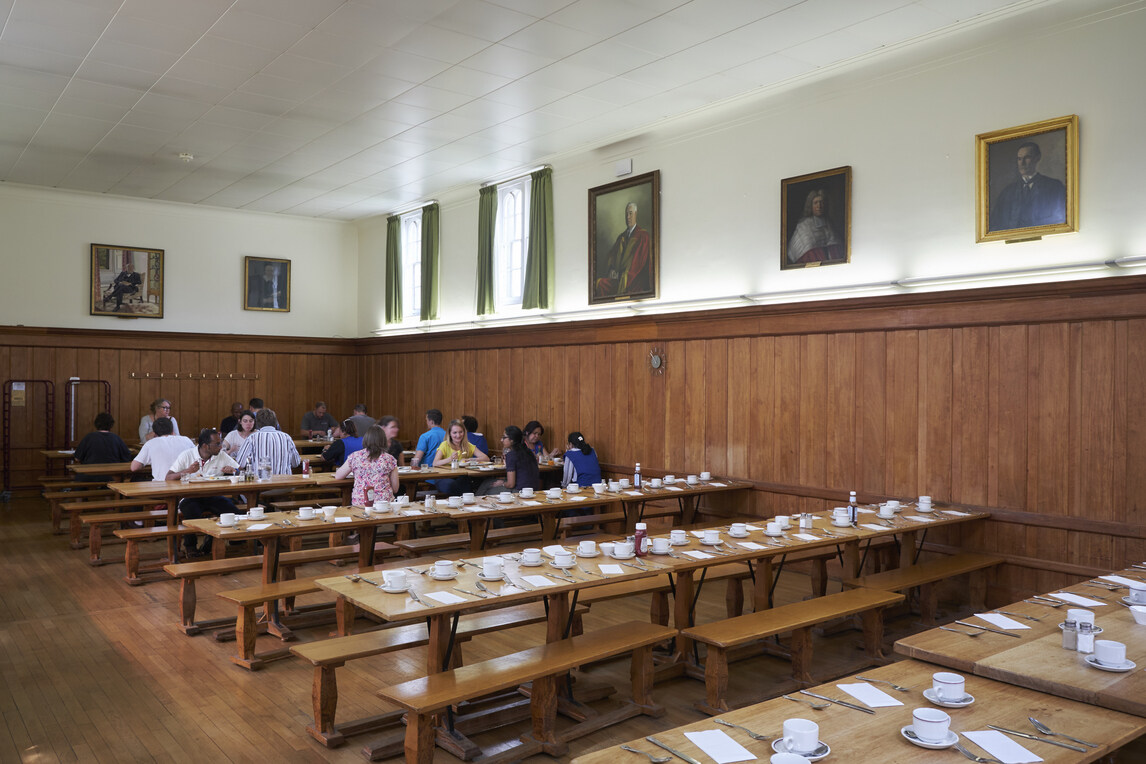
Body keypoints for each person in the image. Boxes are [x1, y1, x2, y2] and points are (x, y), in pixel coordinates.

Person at [167, 429, 238, 557]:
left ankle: (212, 540)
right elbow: (169, 477)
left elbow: (239, 470)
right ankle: (190, 547)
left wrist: (233, 471)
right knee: (192, 515)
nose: (220, 446)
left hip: (213, 495)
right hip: (190, 497)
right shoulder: (187, 455)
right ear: (205, 445)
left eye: (220, 442)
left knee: (233, 512)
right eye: (217, 444)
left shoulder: (221, 455)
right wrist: (187, 471)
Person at [990, 140, 1067, 231]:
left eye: (1027, 158)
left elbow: (1061, 221)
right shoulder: (1007, 192)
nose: (1022, 163)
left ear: (1037, 158)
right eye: (1019, 159)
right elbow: (995, 224)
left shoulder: (1054, 187)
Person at [595, 201, 652, 299]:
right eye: (626, 214)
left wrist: (621, 275)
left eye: (630, 213)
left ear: (635, 214)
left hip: (634, 281)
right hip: (620, 279)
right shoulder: (621, 237)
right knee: (599, 283)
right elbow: (611, 256)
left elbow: (637, 264)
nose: (628, 217)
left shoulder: (643, 236)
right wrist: (612, 269)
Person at [335, 425, 398, 507]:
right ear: (383, 441)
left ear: (366, 439)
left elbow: (338, 476)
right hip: (384, 503)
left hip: (360, 503)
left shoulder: (355, 456)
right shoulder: (390, 459)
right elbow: (396, 488)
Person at [233, 409, 300, 476]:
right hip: (285, 483)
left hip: (261, 483)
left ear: (258, 423)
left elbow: (240, 463)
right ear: (275, 422)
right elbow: (296, 463)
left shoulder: (252, 438)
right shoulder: (286, 437)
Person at [786, 188, 844, 264]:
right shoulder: (803, 226)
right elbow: (802, 250)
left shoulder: (830, 224)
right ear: (810, 205)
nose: (819, 206)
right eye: (815, 203)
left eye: (821, 202)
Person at [478, 425, 540, 494]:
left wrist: (503, 483)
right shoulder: (529, 452)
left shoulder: (512, 455)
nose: (501, 440)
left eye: (504, 437)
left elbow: (511, 484)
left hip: (520, 492)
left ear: (512, 440)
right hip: (534, 490)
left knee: (488, 491)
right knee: (487, 482)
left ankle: (476, 501)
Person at [433, 419, 489, 495]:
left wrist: (469, 459)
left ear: (464, 432)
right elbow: (435, 463)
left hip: (462, 476)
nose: (458, 435)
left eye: (460, 432)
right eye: (455, 433)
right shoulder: (445, 445)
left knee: (467, 482)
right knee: (454, 485)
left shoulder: (468, 445)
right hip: (444, 477)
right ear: (449, 433)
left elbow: (486, 458)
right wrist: (450, 459)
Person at [73, 412, 131, 482]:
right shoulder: (116, 438)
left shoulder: (89, 437)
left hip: (89, 475)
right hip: (111, 476)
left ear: (96, 424)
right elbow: (127, 458)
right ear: (111, 425)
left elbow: (77, 458)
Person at [130, 417, 194, 480]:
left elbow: (134, 467)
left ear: (154, 434)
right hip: (187, 483)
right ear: (172, 430)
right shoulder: (186, 440)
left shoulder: (151, 443)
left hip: (162, 485)